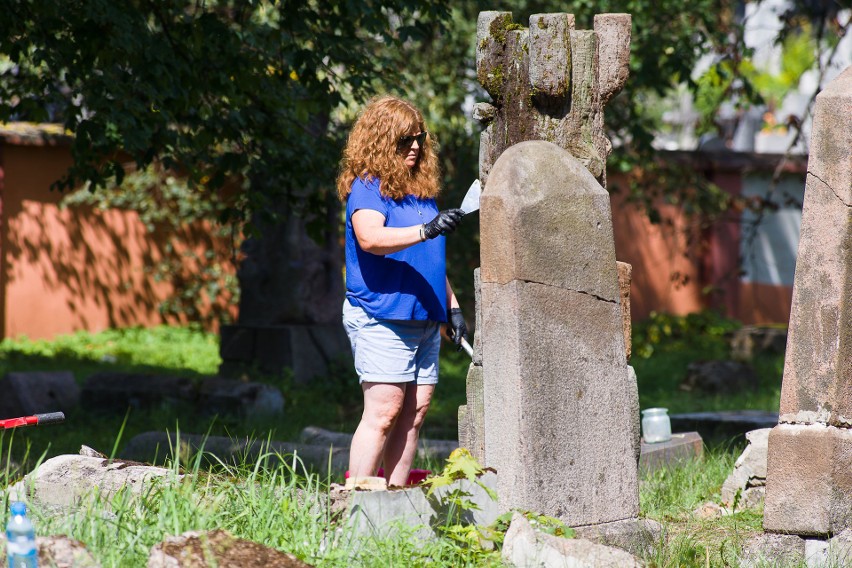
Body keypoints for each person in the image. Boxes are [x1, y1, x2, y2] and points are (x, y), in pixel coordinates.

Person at [336, 95, 468, 487]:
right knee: (384, 412)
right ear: (380, 141)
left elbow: (427, 259)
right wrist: (426, 229)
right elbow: (371, 238)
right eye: (404, 140)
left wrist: (452, 309)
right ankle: (352, 504)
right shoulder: (368, 189)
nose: (415, 146)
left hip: (424, 318)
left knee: (415, 413)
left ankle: (395, 500)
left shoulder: (420, 192)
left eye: (420, 139)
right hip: (381, 316)